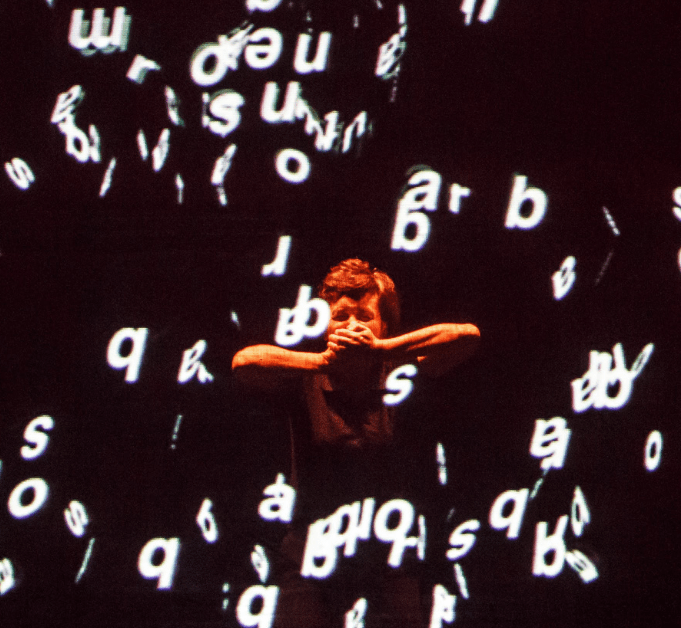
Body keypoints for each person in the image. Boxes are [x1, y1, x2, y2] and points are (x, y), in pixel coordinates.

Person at [232, 258, 480, 628]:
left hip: (390, 552)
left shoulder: (401, 375)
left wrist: (382, 349)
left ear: (383, 323)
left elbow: (467, 336)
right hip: (311, 552)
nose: (351, 327)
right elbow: (244, 362)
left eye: (364, 316)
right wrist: (322, 360)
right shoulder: (305, 376)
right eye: (341, 317)